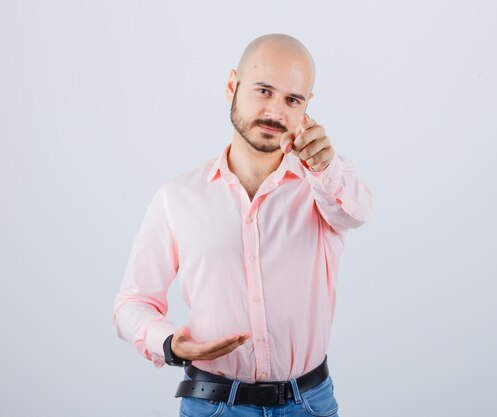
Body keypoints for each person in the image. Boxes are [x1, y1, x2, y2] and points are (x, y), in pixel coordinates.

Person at [112, 33, 373, 417]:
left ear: (307, 107)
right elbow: (132, 302)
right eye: (264, 90)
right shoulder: (177, 197)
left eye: (292, 99)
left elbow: (356, 212)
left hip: (309, 403)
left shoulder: (324, 183)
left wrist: (325, 166)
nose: (275, 111)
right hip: (212, 405)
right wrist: (170, 344)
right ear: (232, 85)